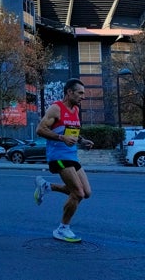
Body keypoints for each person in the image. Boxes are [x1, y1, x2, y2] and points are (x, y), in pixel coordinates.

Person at [34, 78, 94, 243]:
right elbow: (40, 129)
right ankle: (62, 229)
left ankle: (47, 186)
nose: (83, 97)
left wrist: (82, 141)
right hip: (58, 158)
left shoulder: (75, 111)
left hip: (72, 156)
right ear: (69, 92)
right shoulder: (56, 108)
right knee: (78, 193)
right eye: (80, 93)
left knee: (87, 193)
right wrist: (61, 138)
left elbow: (72, 133)